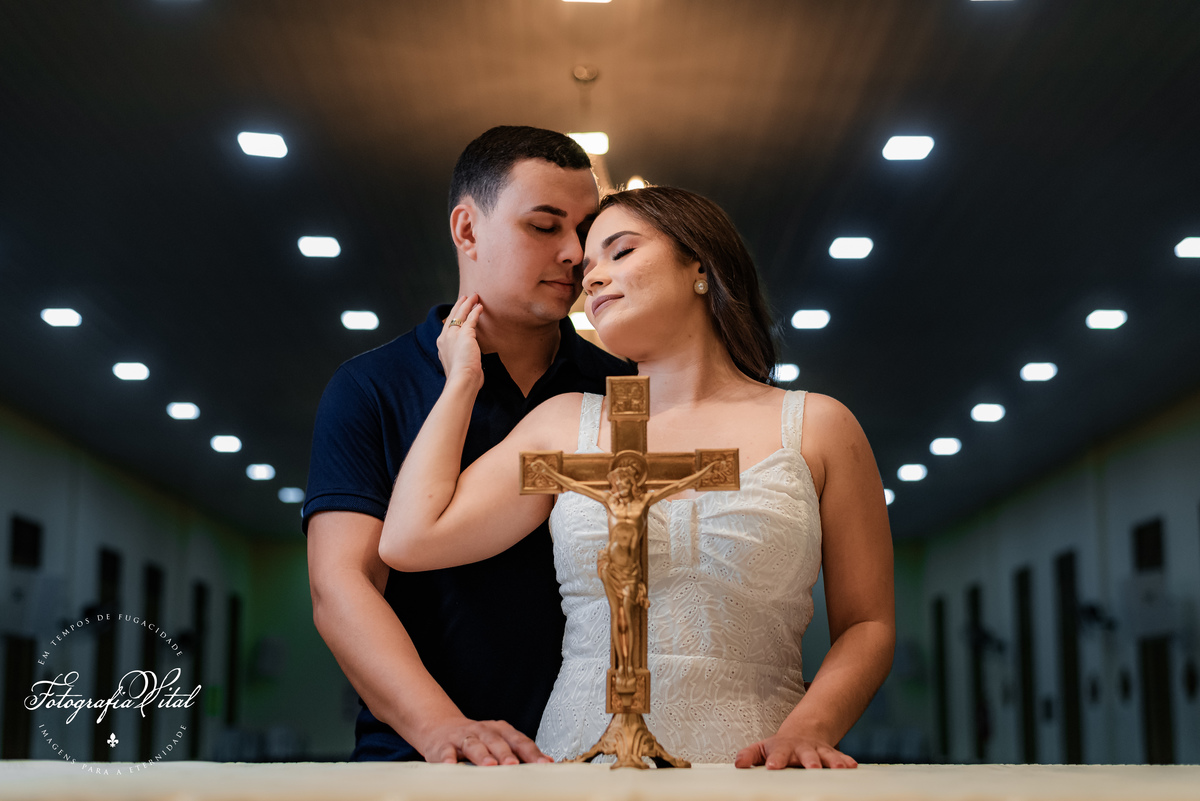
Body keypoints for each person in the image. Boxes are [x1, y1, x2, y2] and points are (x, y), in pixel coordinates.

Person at [378, 185, 896, 768]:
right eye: (588, 268)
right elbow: (409, 540)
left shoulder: (818, 427)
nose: (591, 279)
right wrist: (460, 384)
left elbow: (867, 623)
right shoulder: (565, 424)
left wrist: (808, 731)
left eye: (620, 252)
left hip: (755, 765)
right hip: (580, 760)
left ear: (700, 264)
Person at [303, 126, 634, 764]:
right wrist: (440, 726)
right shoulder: (372, 386)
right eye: (544, 226)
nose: (575, 253)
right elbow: (342, 585)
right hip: (422, 757)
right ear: (467, 229)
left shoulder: (621, 387)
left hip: (596, 755)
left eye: (586, 229)